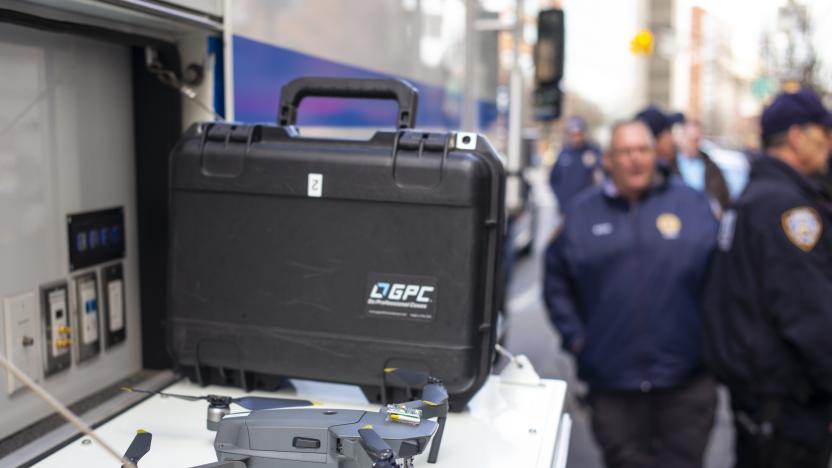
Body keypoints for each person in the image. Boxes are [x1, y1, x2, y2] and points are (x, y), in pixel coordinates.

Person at [544, 120, 718, 468]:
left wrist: (712, 342)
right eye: (625, 151)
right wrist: (578, 339)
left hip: (685, 383)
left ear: (656, 155)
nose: (635, 159)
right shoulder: (582, 214)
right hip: (612, 384)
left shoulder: (693, 206)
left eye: (642, 150)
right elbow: (556, 282)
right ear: (608, 159)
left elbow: (723, 280)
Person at [703, 89, 832, 468]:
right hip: (787, 407)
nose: (829, 144)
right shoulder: (787, 208)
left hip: (762, 403)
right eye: (823, 134)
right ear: (796, 137)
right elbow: (810, 314)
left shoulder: (759, 196)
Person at [636, 105, 731, 211]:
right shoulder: (653, 176)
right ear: (655, 140)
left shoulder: (710, 166)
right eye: (669, 132)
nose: (672, 139)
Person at [548, 116, 602, 209]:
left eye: (578, 134)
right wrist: (561, 199)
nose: (576, 138)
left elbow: (601, 178)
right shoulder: (563, 153)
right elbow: (553, 179)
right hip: (567, 207)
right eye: (573, 135)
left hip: (589, 207)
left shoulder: (593, 152)